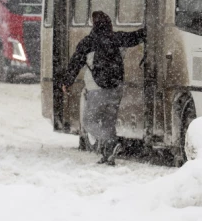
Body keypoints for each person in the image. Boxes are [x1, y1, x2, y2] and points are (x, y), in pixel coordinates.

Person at [61, 11, 146, 166]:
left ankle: (110, 144)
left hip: (97, 89)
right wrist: (148, 30)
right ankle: (108, 155)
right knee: (108, 122)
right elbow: (135, 37)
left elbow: (75, 63)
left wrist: (67, 82)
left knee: (89, 122)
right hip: (116, 88)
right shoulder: (116, 38)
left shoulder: (88, 42)